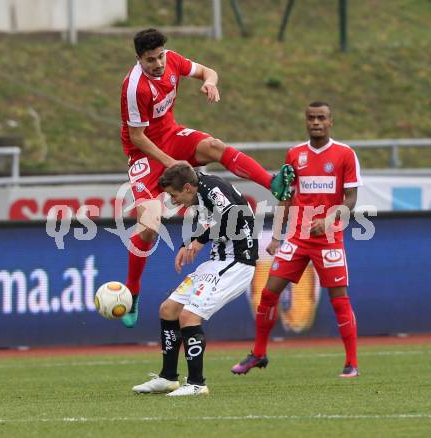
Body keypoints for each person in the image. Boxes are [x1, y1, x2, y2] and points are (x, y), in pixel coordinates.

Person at [120, 28, 291, 328]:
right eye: (150, 60)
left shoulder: (172, 61)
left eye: (160, 56)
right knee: (149, 225)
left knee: (215, 146)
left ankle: (272, 181)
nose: (158, 64)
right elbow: (137, 137)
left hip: (171, 135)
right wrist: (170, 162)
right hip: (145, 154)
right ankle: (133, 291)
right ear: (138, 59)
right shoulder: (134, 88)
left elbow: (208, 71)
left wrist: (210, 84)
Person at [231, 101, 362, 378]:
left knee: (339, 298)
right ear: (306, 121)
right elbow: (285, 198)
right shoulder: (295, 154)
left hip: (328, 238)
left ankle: (351, 363)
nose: (316, 122)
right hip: (297, 238)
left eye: (321, 118)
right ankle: (259, 353)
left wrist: (329, 219)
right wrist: (277, 236)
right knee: (268, 294)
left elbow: (350, 200)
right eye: (311, 118)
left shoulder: (344, 154)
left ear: (330, 121)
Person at [132, 163, 259, 396]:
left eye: (174, 195)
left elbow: (232, 215)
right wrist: (187, 244)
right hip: (217, 260)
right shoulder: (199, 191)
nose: (173, 200)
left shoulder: (212, 189)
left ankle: (197, 384)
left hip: (237, 262)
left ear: (188, 187)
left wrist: (199, 242)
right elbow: (212, 221)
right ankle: (168, 378)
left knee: (189, 316)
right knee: (168, 309)